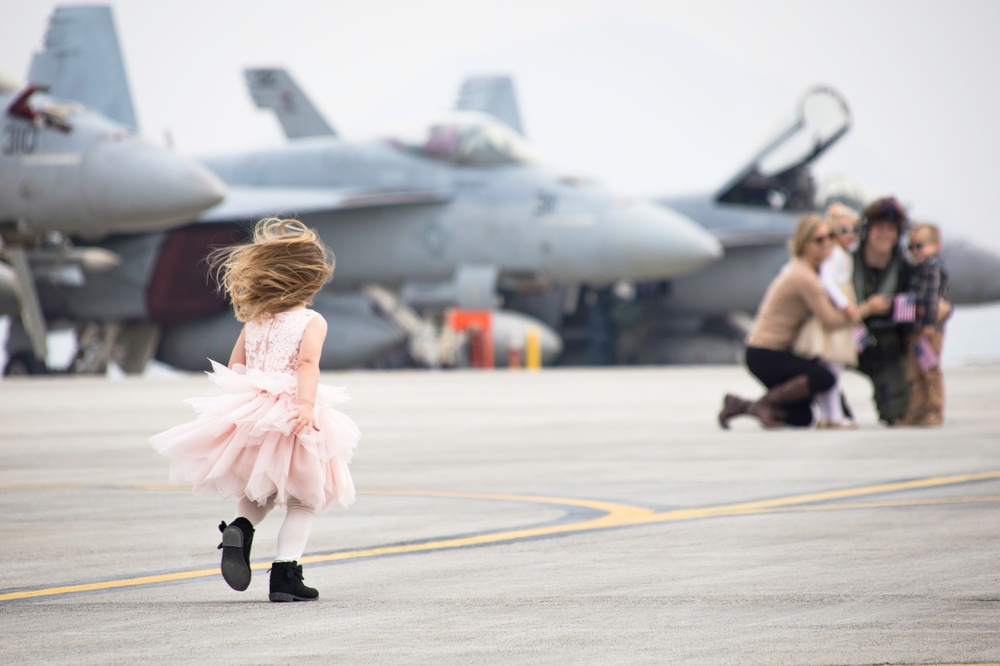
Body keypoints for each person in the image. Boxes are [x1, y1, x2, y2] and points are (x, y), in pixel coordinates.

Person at [151, 218, 360, 602]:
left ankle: (241, 528)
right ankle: (285, 575)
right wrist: (307, 406)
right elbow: (306, 365)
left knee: (260, 490)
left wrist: (236, 406)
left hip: (254, 409)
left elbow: (236, 367)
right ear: (311, 280)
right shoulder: (312, 321)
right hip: (292, 411)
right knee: (303, 500)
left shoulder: (255, 321)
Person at [718, 214, 889, 429]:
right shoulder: (804, 277)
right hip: (766, 353)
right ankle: (762, 406)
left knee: (801, 417)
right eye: (819, 240)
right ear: (804, 244)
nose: (827, 243)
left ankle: (741, 405)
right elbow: (830, 320)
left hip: (773, 352)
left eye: (829, 237)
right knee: (825, 378)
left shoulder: (806, 271)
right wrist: (868, 308)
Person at [852, 197, 914, 425]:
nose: (885, 234)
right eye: (879, 228)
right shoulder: (846, 264)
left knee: (897, 413)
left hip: (889, 343)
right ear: (867, 231)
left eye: (891, 229)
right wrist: (867, 309)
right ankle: (831, 406)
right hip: (850, 338)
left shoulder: (906, 268)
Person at [896, 222, 949, 426]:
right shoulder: (918, 268)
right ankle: (917, 412)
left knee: (929, 371)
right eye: (912, 247)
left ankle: (934, 411)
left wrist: (928, 324)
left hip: (928, 331)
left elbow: (930, 297)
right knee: (914, 373)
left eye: (920, 246)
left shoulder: (932, 267)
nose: (916, 251)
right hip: (916, 331)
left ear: (936, 245)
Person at [815, 203, 861, 428]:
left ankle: (829, 415)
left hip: (837, 309)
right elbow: (827, 280)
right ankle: (832, 415)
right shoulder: (835, 253)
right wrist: (845, 305)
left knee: (832, 368)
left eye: (853, 229)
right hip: (836, 313)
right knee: (832, 367)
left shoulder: (841, 253)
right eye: (843, 230)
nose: (849, 235)